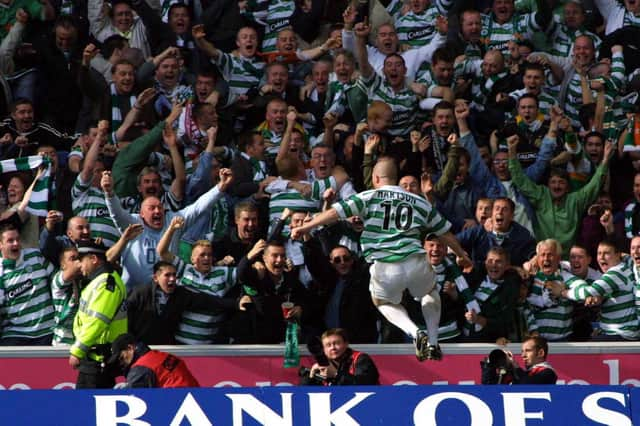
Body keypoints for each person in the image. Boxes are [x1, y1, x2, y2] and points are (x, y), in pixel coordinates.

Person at [292, 156, 472, 361]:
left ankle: (415, 333)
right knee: (430, 292)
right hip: (415, 261)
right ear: (395, 179)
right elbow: (444, 232)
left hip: (385, 266)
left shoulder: (368, 196)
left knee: (383, 303)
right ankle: (432, 341)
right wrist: (462, 255)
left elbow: (335, 213)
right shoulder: (420, 201)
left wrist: (306, 226)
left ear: (376, 178)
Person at [69, 240, 127, 389]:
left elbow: (97, 321)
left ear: (94, 259)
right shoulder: (100, 281)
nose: (79, 265)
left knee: (86, 407)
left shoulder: (106, 284)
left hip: (98, 359)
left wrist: (78, 350)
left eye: (81, 260)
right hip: (94, 357)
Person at [108, 333, 199, 388]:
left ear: (130, 348)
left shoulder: (140, 369)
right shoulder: (162, 356)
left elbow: (133, 401)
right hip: (195, 399)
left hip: (176, 404)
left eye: (121, 357)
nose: (121, 363)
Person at [300, 328, 379, 386]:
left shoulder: (361, 359)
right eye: (328, 345)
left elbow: (366, 384)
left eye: (337, 343)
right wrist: (311, 377)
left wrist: (336, 374)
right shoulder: (322, 363)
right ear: (323, 349)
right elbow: (303, 395)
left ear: (346, 344)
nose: (332, 348)